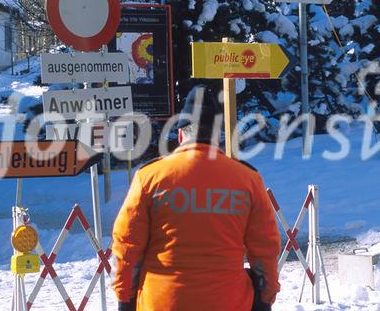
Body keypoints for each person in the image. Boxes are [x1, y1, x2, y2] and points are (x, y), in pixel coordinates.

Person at [112, 85, 281, 311]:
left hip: (162, 301)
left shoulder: (149, 177)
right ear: (216, 135)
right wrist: (265, 297)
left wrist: (125, 298)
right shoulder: (247, 179)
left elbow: (128, 245)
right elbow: (265, 246)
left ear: (181, 134)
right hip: (228, 301)